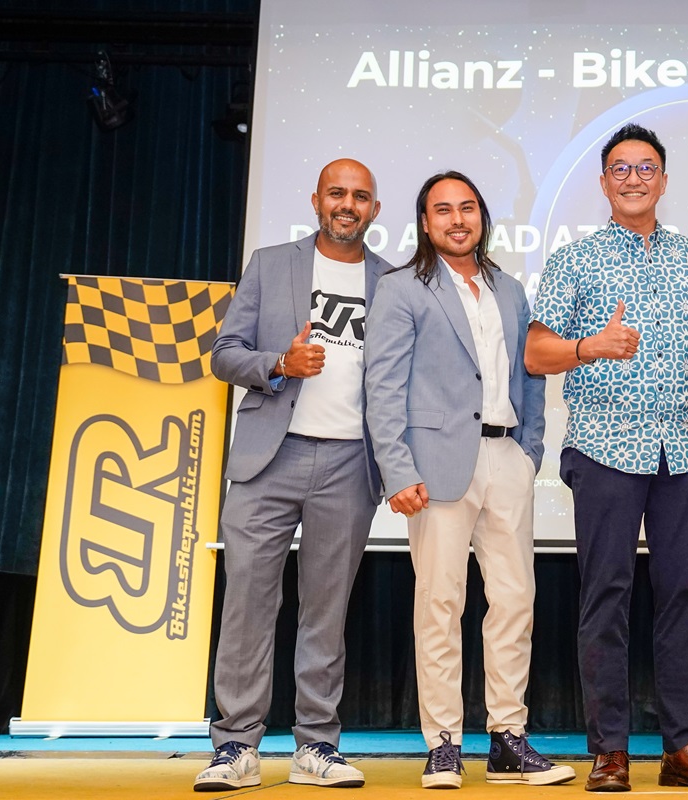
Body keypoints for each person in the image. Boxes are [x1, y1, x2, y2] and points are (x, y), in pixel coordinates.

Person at [526, 123, 688, 793]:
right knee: (606, 597)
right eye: (620, 169)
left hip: (686, 450)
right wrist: (590, 347)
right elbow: (535, 352)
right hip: (604, 447)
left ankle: (684, 750)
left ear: (664, 180)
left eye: (645, 167)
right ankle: (610, 753)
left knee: (685, 596)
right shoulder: (575, 260)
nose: (633, 178)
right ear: (602, 183)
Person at [364, 172, 571, 790]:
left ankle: (508, 739)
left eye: (468, 208)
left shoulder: (510, 289)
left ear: (482, 217)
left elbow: (530, 375)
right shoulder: (401, 288)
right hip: (434, 468)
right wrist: (398, 469)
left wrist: (529, 452)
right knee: (440, 604)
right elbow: (383, 386)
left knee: (514, 600)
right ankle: (444, 744)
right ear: (425, 223)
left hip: (507, 457)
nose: (458, 219)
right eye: (443, 210)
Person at [195, 159, 389, 791]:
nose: (347, 204)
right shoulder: (270, 264)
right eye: (337, 193)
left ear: (374, 209)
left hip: (350, 464)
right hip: (267, 460)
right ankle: (235, 746)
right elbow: (224, 355)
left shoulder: (394, 282)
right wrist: (280, 362)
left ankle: (316, 747)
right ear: (316, 200)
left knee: (326, 613)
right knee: (248, 604)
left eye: (360, 196)